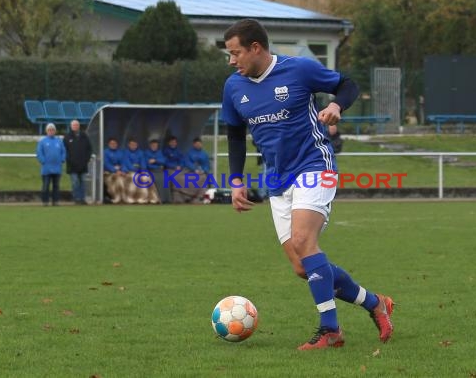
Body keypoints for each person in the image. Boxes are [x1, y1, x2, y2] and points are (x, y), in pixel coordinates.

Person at [221, 19, 394, 350]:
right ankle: (375, 303)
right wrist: (236, 180)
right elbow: (234, 134)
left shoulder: (298, 70)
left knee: (303, 239)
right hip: (277, 179)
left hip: (314, 165)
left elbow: (348, 84)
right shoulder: (233, 87)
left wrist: (334, 104)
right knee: (303, 266)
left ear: (255, 48)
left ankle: (330, 330)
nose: (232, 61)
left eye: (235, 53)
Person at [63, 119, 93, 205]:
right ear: (71, 126)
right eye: (73, 125)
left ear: (79, 126)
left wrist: (86, 159)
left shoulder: (84, 136)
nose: (75, 126)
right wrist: (69, 160)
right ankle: (76, 198)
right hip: (72, 165)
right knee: (75, 182)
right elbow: (64, 151)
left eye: (76, 125)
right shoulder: (67, 137)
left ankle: (82, 199)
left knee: (83, 182)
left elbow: (89, 149)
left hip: (83, 164)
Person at [36, 123, 66, 206]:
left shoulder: (59, 141)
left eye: (52, 130)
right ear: (46, 131)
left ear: (55, 131)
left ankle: (55, 201)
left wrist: (62, 159)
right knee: (46, 186)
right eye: (49, 130)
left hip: (57, 168)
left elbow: (63, 151)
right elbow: (39, 152)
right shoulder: (42, 141)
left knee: (56, 186)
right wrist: (43, 161)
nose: (51, 131)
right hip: (46, 168)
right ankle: (45, 201)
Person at [122, 138, 152, 204]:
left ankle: (142, 198)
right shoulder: (125, 152)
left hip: (139, 171)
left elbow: (143, 162)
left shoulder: (140, 153)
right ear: (128, 145)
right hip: (129, 171)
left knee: (145, 178)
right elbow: (126, 163)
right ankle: (131, 198)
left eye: (135, 145)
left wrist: (143, 170)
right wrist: (136, 170)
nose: (133, 146)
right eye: (132, 145)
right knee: (134, 177)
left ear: (137, 145)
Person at [184, 137, 210, 204]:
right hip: (191, 171)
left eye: (199, 144)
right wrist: (195, 169)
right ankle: (189, 196)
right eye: (197, 144)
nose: (198, 145)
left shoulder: (204, 154)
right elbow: (187, 162)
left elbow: (207, 164)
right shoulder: (189, 153)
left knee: (204, 177)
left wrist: (204, 170)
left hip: (202, 172)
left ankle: (201, 197)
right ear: (194, 144)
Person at [163, 135, 188, 204]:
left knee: (186, 177)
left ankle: (185, 196)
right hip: (169, 169)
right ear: (169, 143)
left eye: (174, 142)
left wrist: (180, 166)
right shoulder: (166, 151)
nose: (173, 143)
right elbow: (165, 162)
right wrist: (174, 166)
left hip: (179, 169)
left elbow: (182, 160)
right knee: (176, 178)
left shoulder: (179, 151)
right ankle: (176, 198)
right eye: (172, 142)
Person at [103, 137, 126, 204]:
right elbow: (106, 164)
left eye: (115, 143)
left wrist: (123, 171)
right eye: (111, 143)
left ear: (117, 144)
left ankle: (127, 198)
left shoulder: (120, 152)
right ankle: (116, 198)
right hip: (108, 173)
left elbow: (124, 163)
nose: (113, 145)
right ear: (108, 144)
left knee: (128, 178)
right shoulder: (105, 152)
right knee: (118, 180)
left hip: (120, 172)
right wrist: (115, 171)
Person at [144, 139, 165, 204]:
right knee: (153, 179)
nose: (154, 146)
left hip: (159, 171)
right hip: (150, 171)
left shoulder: (159, 152)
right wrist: (158, 165)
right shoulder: (146, 152)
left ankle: (164, 199)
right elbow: (147, 164)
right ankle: (154, 199)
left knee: (165, 178)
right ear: (150, 145)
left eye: (156, 145)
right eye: (153, 145)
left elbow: (163, 161)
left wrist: (155, 160)